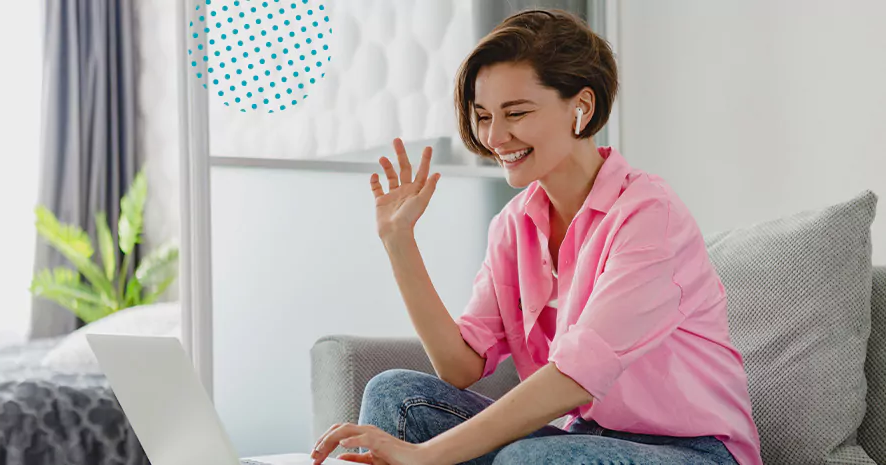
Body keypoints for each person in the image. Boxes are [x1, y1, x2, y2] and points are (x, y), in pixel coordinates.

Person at [311, 8, 762, 465]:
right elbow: (460, 366)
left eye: (517, 113)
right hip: (585, 439)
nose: (495, 136)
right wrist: (398, 241)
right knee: (394, 395)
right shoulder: (514, 225)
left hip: (697, 452)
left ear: (580, 107)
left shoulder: (649, 216)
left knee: (528, 460)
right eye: (483, 115)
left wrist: (426, 455)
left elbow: (574, 377)